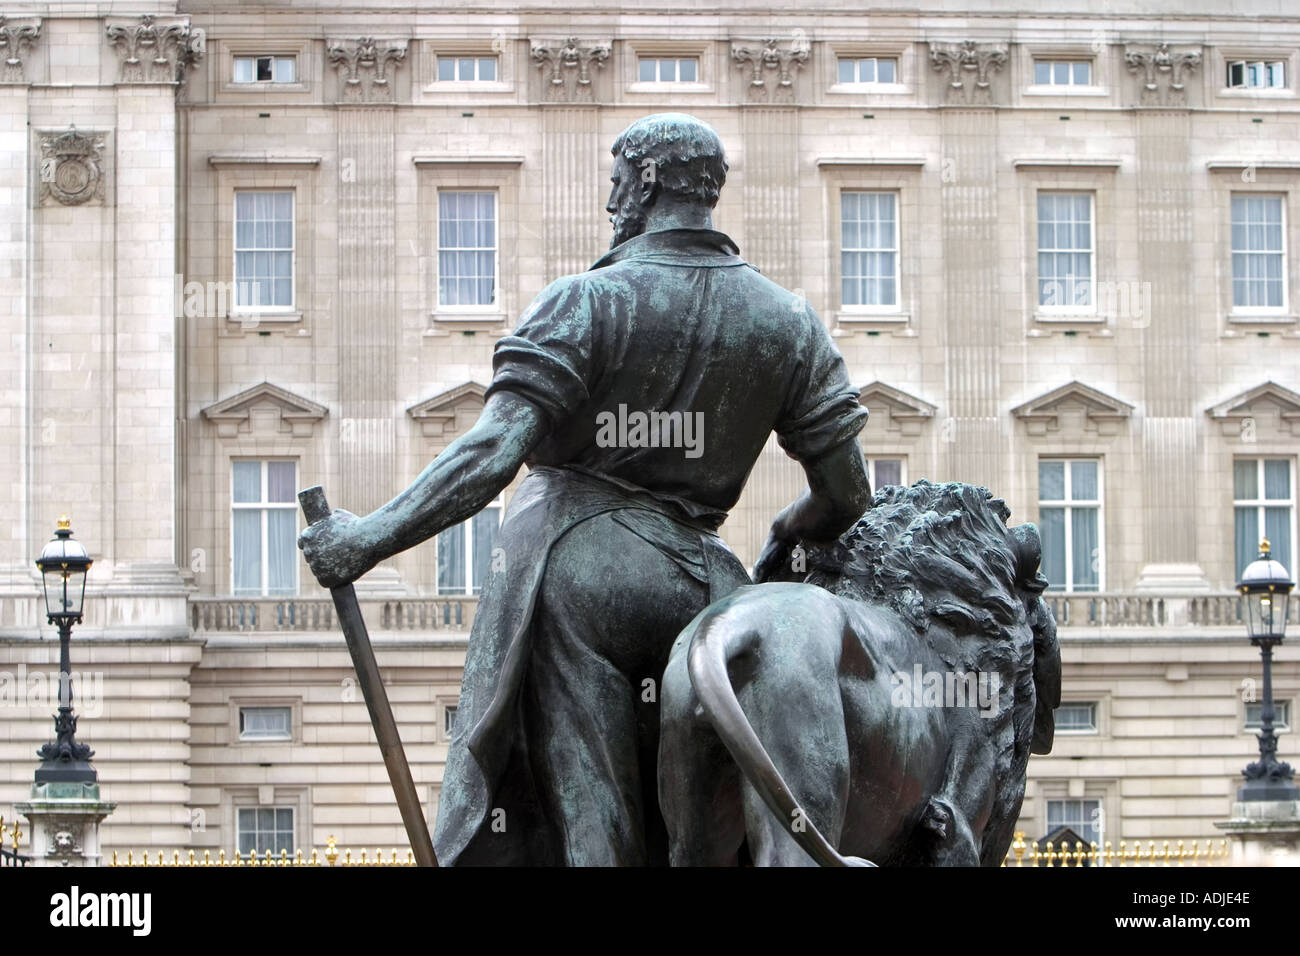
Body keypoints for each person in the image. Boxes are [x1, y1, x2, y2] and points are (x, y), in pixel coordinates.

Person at [299, 113, 872, 865]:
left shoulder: (589, 300)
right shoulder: (790, 322)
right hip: (710, 586)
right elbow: (846, 497)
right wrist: (784, 535)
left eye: (615, 183)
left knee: (593, 817)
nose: (610, 203)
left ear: (646, 182)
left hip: (581, 570)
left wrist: (366, 538)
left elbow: (494, 451)